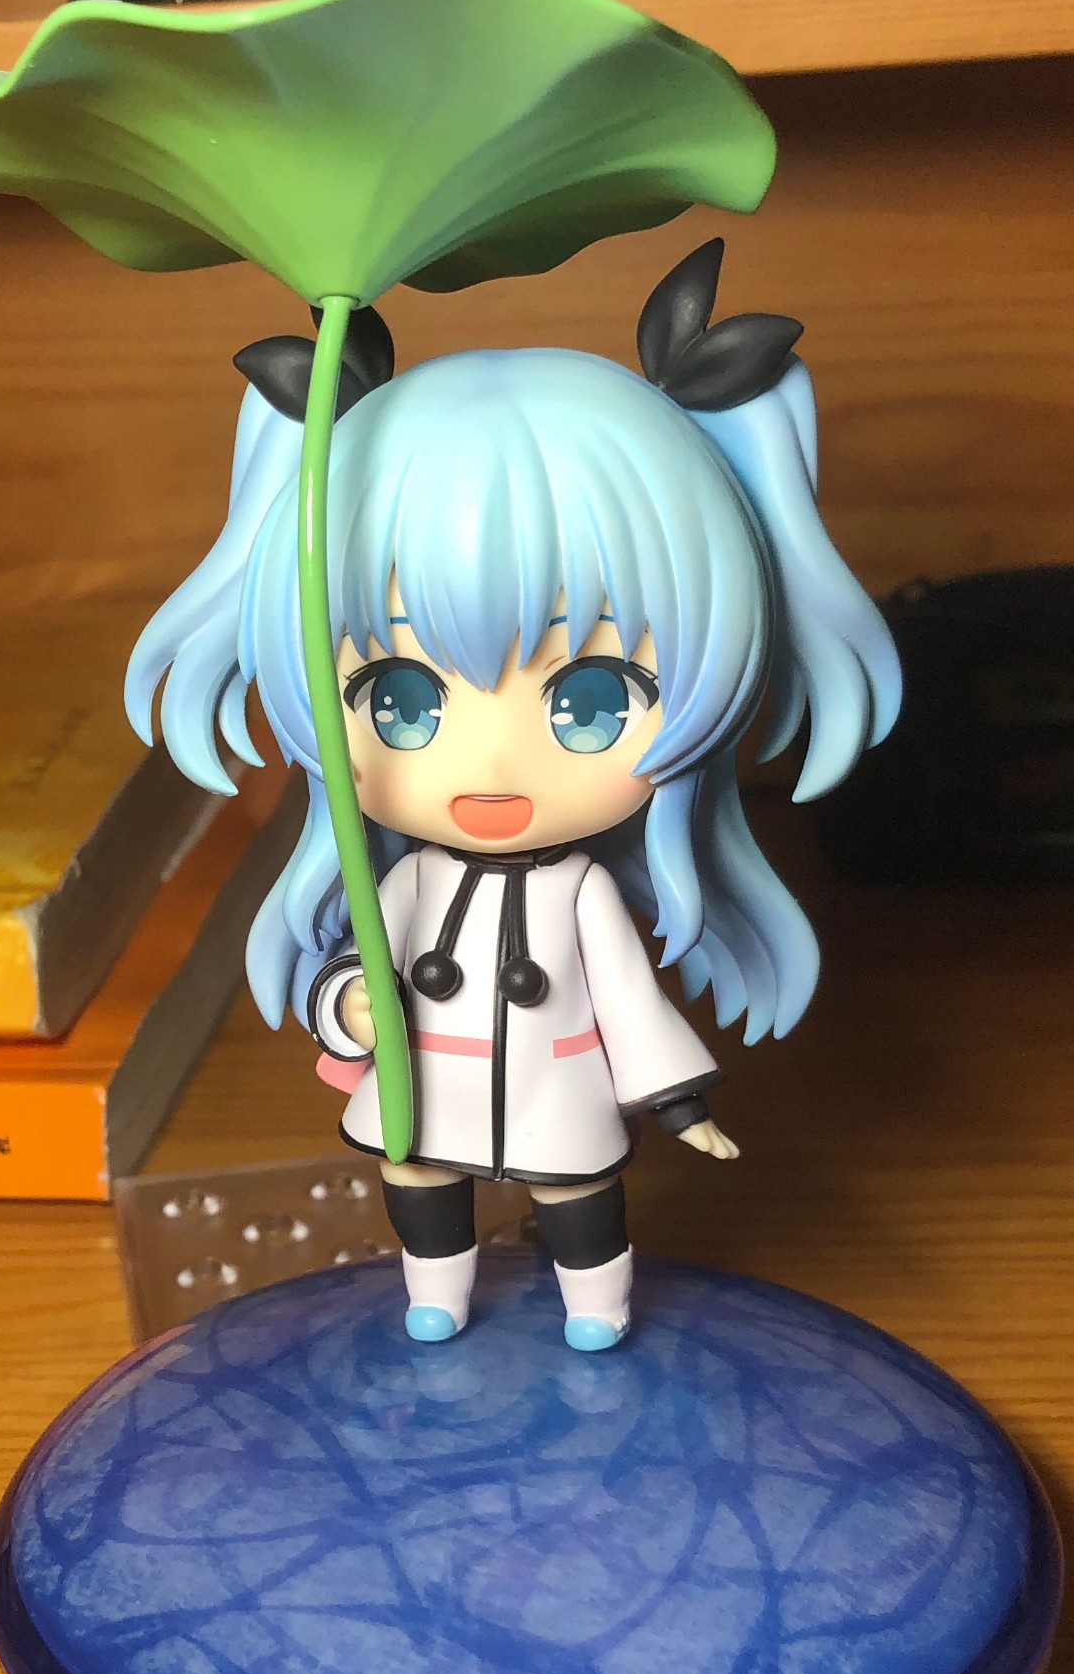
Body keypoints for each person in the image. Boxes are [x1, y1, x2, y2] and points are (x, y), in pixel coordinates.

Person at [126, 243, 900, 1351]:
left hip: (553, 1090)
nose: (492, 764)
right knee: (418, 1179)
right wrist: (350, 1006)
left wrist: (679, 1102)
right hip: (431, 1082)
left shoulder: (581, 893)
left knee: (574, 1192)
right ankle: (435, 1292)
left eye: (590, 701)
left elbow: (628, 1003)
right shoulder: (407, 882)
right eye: (401, 701)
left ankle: (597, 1304)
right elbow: (359, 965)